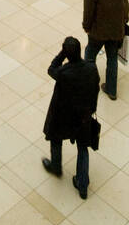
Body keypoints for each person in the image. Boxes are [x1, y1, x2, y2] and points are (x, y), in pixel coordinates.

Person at [42, 36, 100, 200]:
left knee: (56, 137)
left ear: (67, 54)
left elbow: (51, 68)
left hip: (64, 115)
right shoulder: (91, 68)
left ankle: (56, 166)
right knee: (83, 147)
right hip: (83, 116)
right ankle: (82, 185)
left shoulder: (64, 72)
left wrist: (62, 54)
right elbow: (95, 89)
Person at [83, 0, 129, 101]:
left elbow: (89, 9)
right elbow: (125, 5)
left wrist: (86, 26)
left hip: (98, 31)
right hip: (116, 30)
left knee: (90, 56)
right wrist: (124, 21)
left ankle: (87, 85)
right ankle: (111, 90)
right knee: (112, 58)